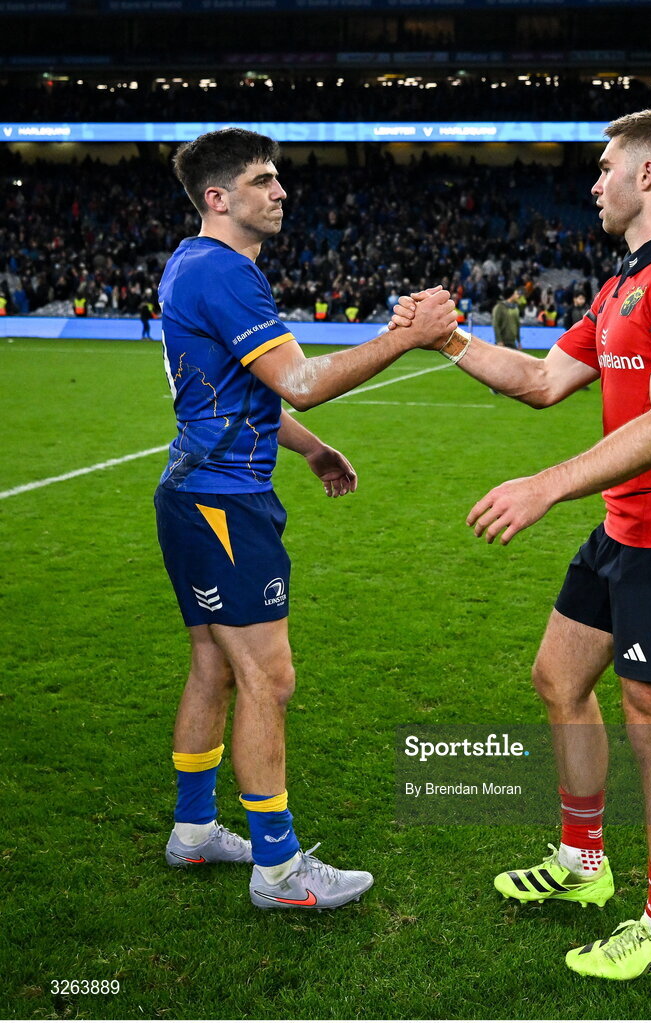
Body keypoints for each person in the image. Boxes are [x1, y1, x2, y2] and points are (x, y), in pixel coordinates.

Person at [392, 108, 651, 980]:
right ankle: (586, 866)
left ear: (648, 176)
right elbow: (545, 380)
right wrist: (452, 340)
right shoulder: (623, 283)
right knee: (558, 679)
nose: (594, 181)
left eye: (605, 165)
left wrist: (545, 484)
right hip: (622, 529)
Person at [155, 128, 456, 912]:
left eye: (278, 177)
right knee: (268, 677)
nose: (280, 190)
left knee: (214, 667)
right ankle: (280, 870)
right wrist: (406, 335)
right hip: (222, 504)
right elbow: (298, 380)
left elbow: (241, 394)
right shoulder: (222, 272)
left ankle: (193, 831)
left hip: (199, 495)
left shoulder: (199, 265)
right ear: (218, 198)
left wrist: (314, 450)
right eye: (261, 180)